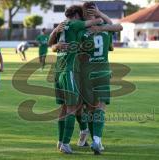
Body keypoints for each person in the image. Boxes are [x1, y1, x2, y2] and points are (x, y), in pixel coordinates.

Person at [48, 5, 103, 154]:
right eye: (83, 15)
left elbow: (50, 44)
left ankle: (60, 141)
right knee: (72, 108)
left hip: (58, 71)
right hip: (68, 71)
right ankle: (66, 144)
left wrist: (54, 34)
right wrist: (97, 15)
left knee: (64, 109)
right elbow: (96, 21)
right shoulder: (75, 23)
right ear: (78, 15)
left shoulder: (62, 26)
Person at [77, 2, 123, 155]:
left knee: (89, 109)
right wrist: (101, 15)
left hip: (86, 74)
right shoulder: (105, 29)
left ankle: (93, 139)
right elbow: (118, 26)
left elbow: (78, 55)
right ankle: (97, 140)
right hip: (103, 72)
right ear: (95, 12)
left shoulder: (81, 30)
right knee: (101, 107)